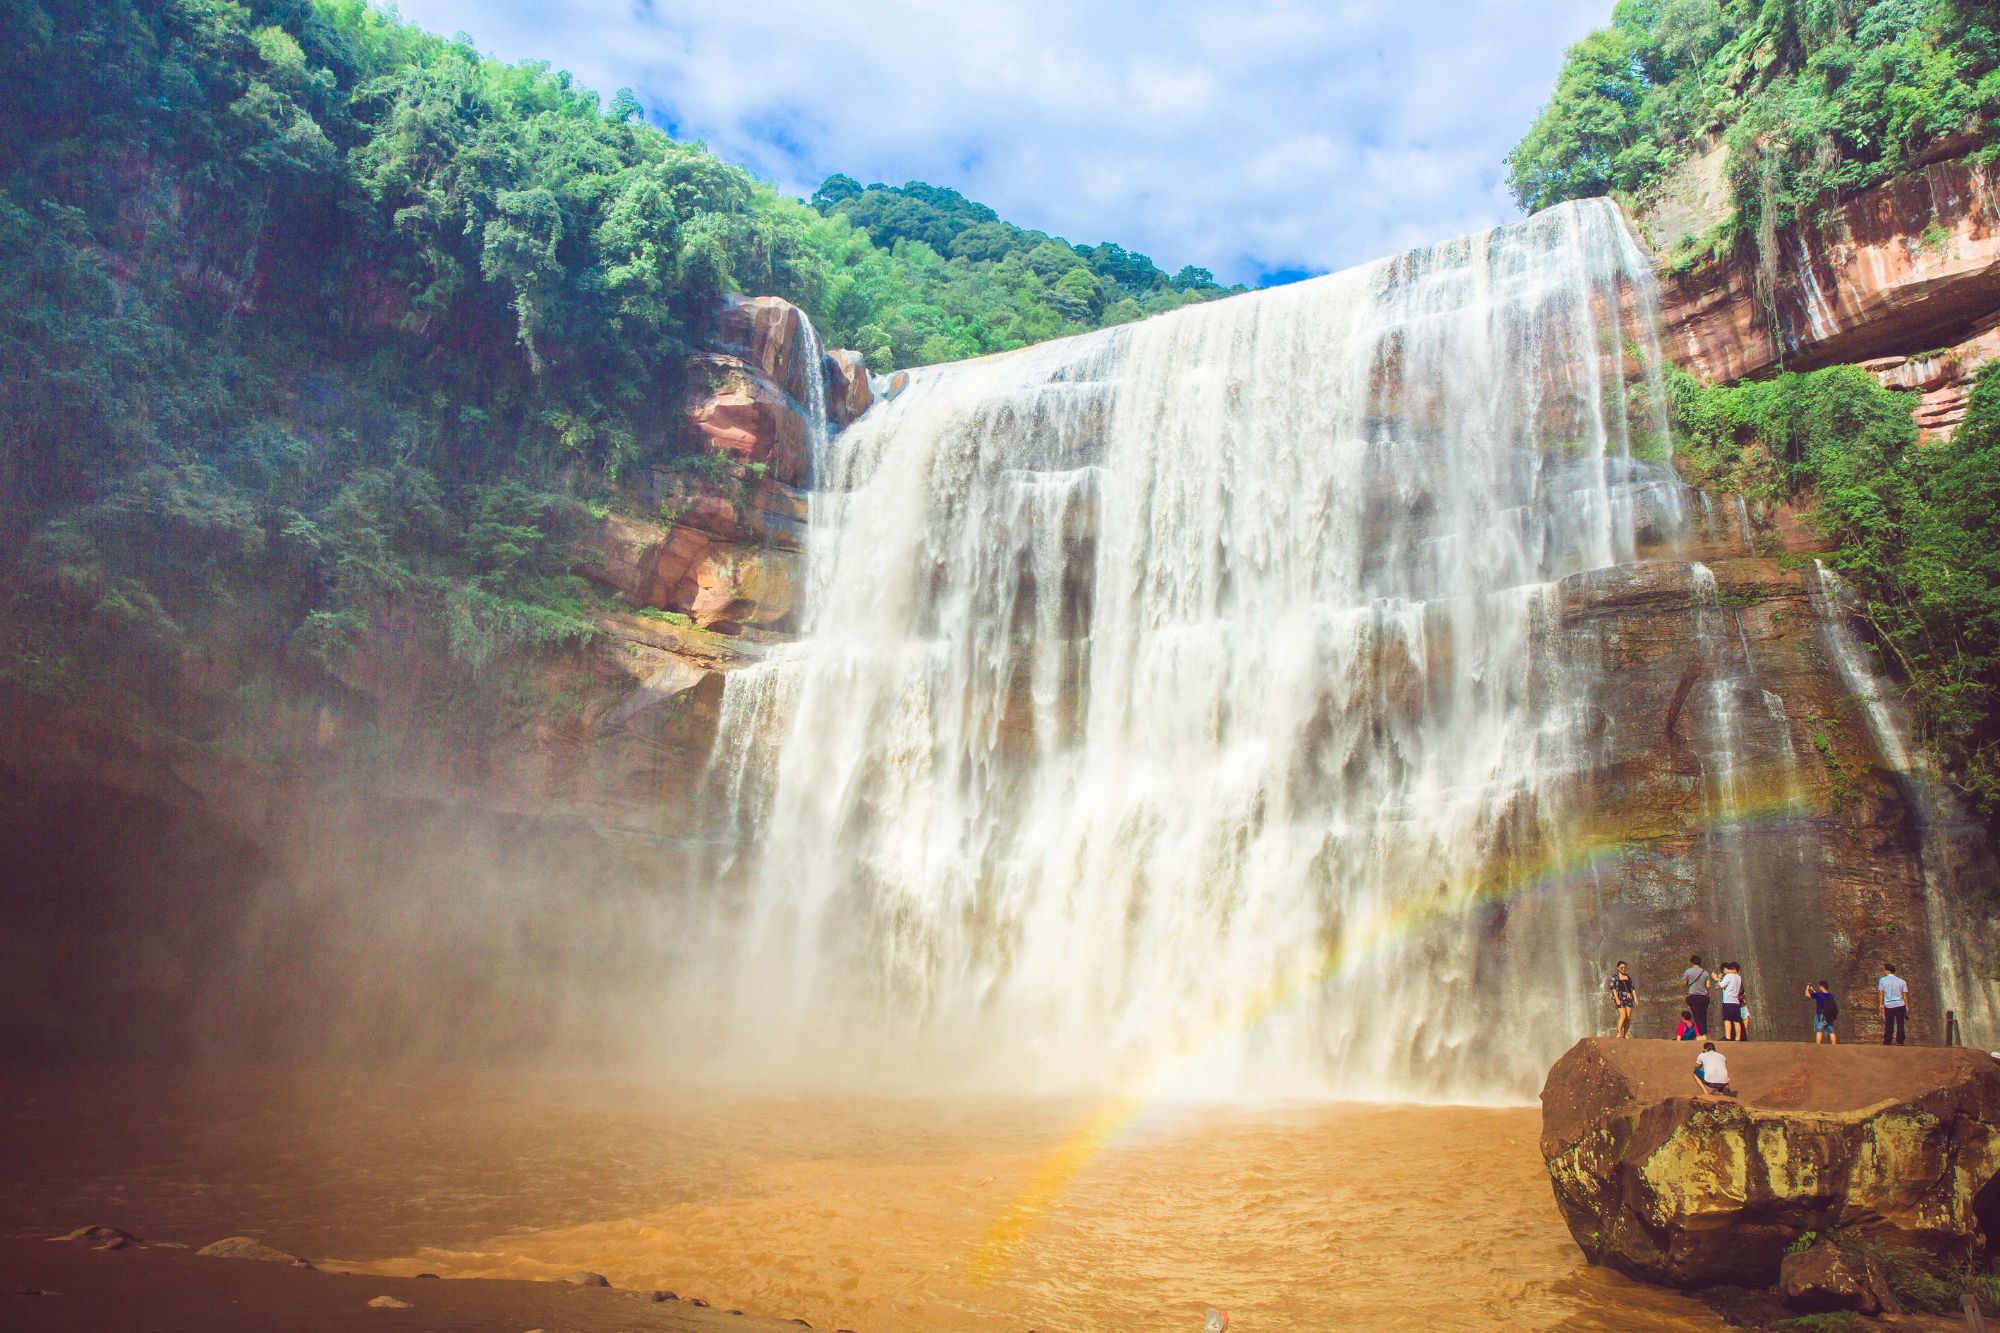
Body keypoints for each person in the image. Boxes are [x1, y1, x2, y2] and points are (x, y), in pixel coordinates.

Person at [1678, 954, 1711, 1036]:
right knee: (1703, 1016)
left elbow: (1684, 983)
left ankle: (1701, 1034)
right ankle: (1705, 1034)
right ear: (1700, 963)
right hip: (1704, 997)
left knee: (1697, 1016)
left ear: (1691, 963)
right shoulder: (1705, 973)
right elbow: (1708, 986)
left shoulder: (1688, 971)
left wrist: (1684, 982)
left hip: (1694, 996)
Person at [1878, 963, 1910, 1045]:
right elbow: (1904, 995)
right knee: (1900, 1024)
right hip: (1900, 1004)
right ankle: (1900, 1041)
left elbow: (1881, 993)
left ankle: (1887, 1041)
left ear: (1887, 970)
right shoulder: (1902, 981)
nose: (1883, 971)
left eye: (1884, 969)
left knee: (1889, 1024)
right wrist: (1906, 1006)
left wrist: (1881, 1004)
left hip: (1889, 1005)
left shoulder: (1882, 980)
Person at [1717, 961, 1745, 1041]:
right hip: (1736, 1002)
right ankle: (1737, 1038)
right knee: (1736, 1021)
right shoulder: (1738, 977)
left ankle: (1728, 1037)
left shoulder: (1728, 976)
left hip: (1728, 1001)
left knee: (1727, 1019)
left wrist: (1718, 979)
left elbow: (1721, 985)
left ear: (1726, 969)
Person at [1608, 961, 1637, 1038]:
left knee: (1628, 1017)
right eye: (1621, 967)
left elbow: (1632, 988)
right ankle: (1619, 1033)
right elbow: (1613, 988)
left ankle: (1626, 1033)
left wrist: (1635, 998)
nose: (1623, 969)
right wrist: (1616, 999)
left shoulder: (1628, 977)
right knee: (1623, 1016)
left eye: (1625, 967)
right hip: (1620, 998)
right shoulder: (1615, 977)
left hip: (1629, 998)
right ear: (1617, 968)